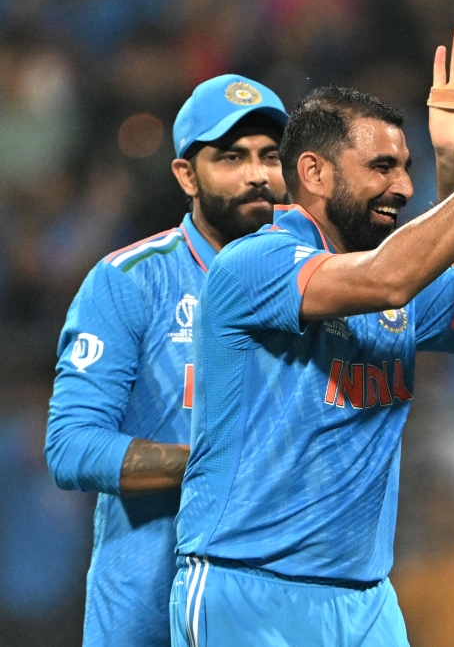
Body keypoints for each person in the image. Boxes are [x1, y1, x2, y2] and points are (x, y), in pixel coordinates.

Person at [170, 79, 454, 646]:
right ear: (315, 172)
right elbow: (386, 278)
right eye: (381, 166)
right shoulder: (252, 263)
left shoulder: (403, 286)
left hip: (365, 599)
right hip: (249, 591)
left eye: (406, 167)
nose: (403, 186)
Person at [44, 74, 288, 647]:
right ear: (186, 175)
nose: (256, 174)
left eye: (269, 156)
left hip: (272, 606)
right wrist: (221, 465)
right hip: (147, 605)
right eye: (231, 157)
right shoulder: (131, 280)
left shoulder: (318, 280)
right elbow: (72, 445)